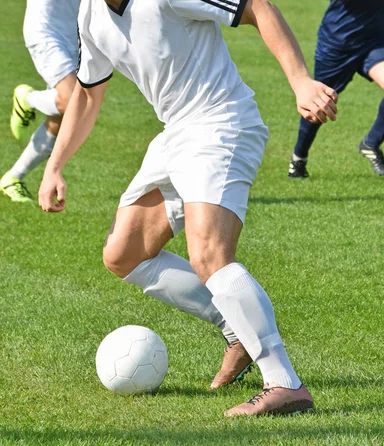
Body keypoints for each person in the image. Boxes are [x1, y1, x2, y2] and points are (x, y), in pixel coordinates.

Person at [38, 0, 338, 417]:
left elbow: (256, 6)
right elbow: (87, 95)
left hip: (221, 122)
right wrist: (55, 166)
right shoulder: (89, 14)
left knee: (210, 254)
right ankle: (239, 332)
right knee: (123, 254)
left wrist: (301, 81)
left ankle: (285, 383)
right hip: (175, 133)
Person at [288, 0, 384, 178]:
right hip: (338, 42)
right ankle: (299, 158)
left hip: (375, 40)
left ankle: (371, 143)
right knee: (318, 104)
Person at [2, 0, 80, 202]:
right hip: (47, 33)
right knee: (72, 101)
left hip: (78, 37)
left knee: (61, 117)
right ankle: (27, 99)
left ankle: (13, 178)